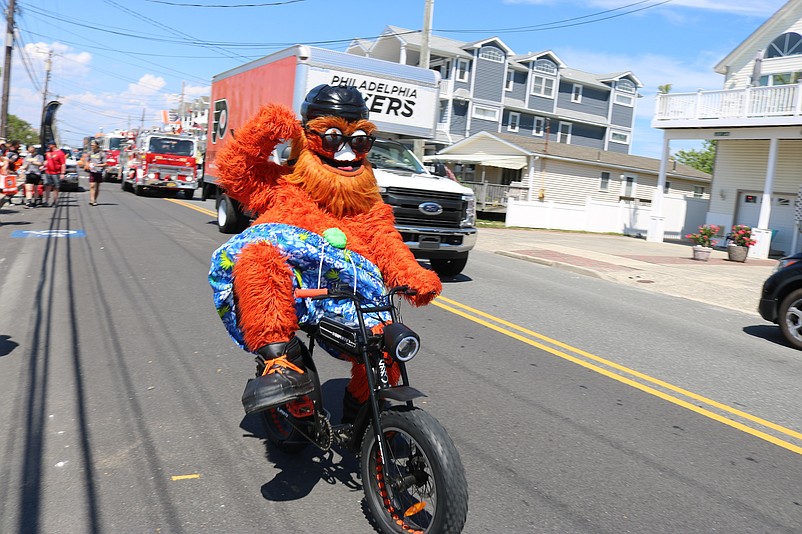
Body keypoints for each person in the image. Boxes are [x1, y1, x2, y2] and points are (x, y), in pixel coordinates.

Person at [209, 85, 441, 420]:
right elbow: (236, 172)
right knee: (258, 257)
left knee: (386, 347)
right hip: (293, 291)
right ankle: (278, 361)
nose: (346, 153)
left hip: (347, 300)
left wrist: (413, 274)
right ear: (307, 137)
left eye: (359, 140)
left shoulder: (365, 203)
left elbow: (385, 239)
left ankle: (364, 412)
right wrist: (266, 130)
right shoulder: (281, 184)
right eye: (332, 138)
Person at [43, 142, 66, 207]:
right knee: (47, 186)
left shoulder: (60, 153)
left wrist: (62, 173)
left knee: (56, 187)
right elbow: (47, 161)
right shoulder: (48, 153)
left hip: (56, 173)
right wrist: (44, 165)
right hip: (48, 172)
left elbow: (63, 164)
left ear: (53, 145)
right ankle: (46, 201)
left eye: (49, 145)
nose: (48, 146)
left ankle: (55, 201)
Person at [86, 140, 106, 206]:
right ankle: (92, 199)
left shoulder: (101, 153)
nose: (92, 146)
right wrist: (88, 165)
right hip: (92, 171)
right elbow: (87, 161)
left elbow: (105, 164)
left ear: (97, 145)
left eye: (93, 145)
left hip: (99, 171)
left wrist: (97, 165)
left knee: (97, 187)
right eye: (91, 145)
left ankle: (95, 199)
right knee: (92, 186)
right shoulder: (90, 153)